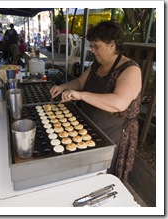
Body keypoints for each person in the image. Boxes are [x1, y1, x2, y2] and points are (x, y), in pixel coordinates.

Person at [50, 20, 142, 182]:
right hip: (89, 127)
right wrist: (63, 87)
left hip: (112, 134)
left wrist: (82, 95)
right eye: (92, 46)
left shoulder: (130, 70)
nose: (93, 51)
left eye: (96, 46)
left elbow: (119, 102)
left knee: (102, 177)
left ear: (112, 45)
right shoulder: (96, 65)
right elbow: (80, 82)